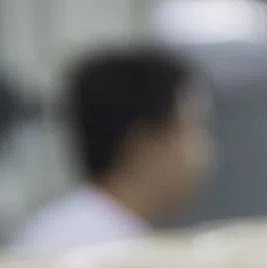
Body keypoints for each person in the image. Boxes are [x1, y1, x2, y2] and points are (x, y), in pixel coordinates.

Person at [15, 47, 213, 250]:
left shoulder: (86, 228)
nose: (206, 151)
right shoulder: (93, 246)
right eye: (194, 129)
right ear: (145, 145)